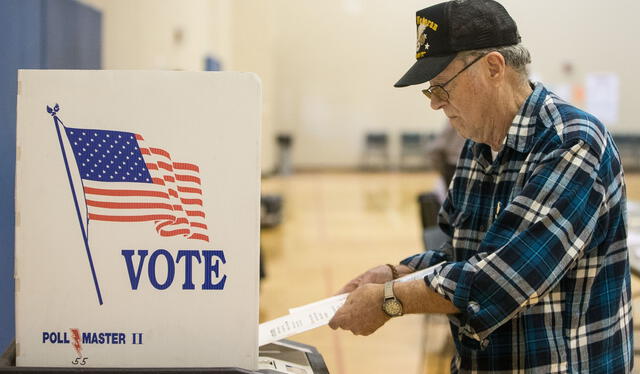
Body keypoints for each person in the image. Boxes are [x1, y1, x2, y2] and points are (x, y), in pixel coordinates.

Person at [328, 1, 633, 372]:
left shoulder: (572, 142)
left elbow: (501, 280)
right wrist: (395, 273)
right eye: (431, 91)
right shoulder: (478, 145)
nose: (436, 104)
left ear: (493, 67)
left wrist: (390, 300)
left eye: (442, 86)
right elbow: (459, 258)